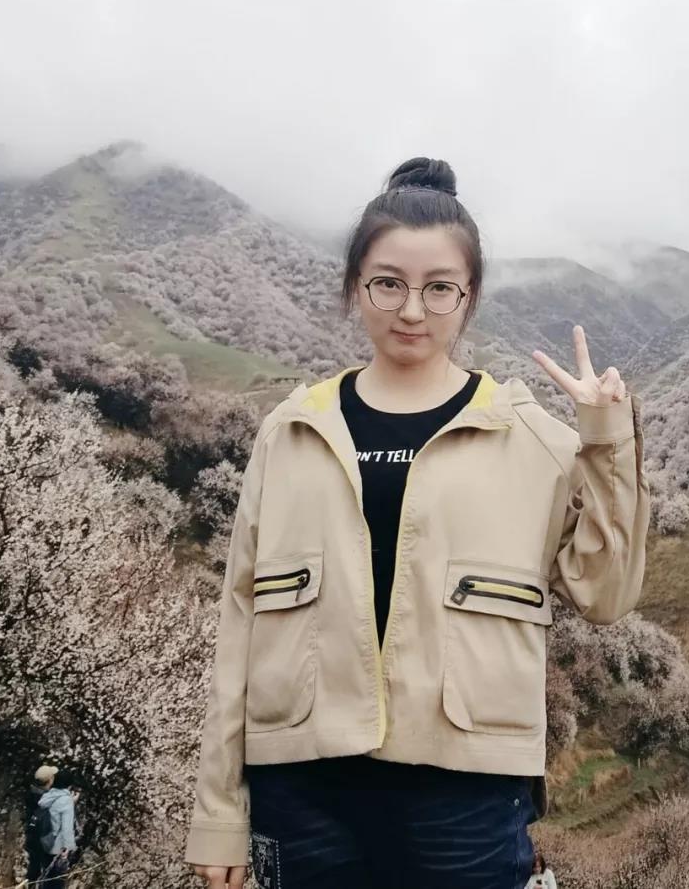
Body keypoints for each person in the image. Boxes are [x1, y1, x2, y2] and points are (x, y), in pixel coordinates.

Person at [187, 157, 649, 889]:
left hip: (464, 794)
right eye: (388, 283)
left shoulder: (529, 436)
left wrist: (607, 438)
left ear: (470, 296)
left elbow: (606, 593)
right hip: (301, 790)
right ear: (355, 286)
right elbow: (240, 623)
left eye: (439, 288)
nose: (411, 310)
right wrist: (218, 811)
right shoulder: (292, 430)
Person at [37, 770, 77, 888]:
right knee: (56, 881)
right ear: (69, 786)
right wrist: (68, 848)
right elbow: (66, 827)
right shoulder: (66, 800)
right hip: (57, 847)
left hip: (44, 841)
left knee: (45, 877)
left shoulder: (47, 797)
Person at [25, 765, 58, 886]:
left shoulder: (31, 793)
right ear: (49, 781)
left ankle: (31, 885)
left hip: (32, 835)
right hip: (44, 837)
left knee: (33, 868)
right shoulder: (47, 799)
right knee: (50, 873)